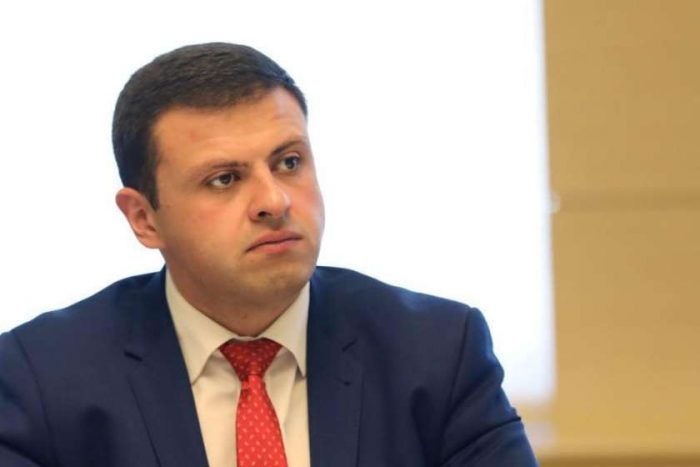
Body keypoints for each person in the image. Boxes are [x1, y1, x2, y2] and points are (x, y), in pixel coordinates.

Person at [0, 43, 538, 466]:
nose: (275, 201)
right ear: (143, 218)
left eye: (288, 163)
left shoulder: (437, 352)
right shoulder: (40, 378)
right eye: (224, 179)